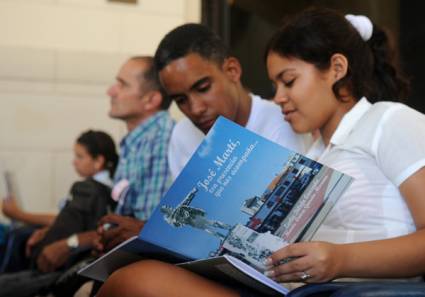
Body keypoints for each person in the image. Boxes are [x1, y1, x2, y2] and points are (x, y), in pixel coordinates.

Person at [96, 8, 425, 297]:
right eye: (275, 85)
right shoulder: (314, 150)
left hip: (348, 288)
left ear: (336, 68)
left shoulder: (388, 120)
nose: (278, 97)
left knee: (138, 284)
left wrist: (339, 259)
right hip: (293, 288)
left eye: (289, 81)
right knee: (133, 279)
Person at [153, 23, 311, 179]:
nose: (196, 109)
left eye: (203, 88)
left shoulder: (283, 124)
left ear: (232, 71)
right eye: (181, 100)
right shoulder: (183, 135)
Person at [0, 129, 118, 296]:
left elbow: (67, 228)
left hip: (56, 267)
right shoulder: (111, 190)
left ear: (98, 161)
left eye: (80, 156)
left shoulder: (87, 189)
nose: (74, 162)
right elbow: (71, 220)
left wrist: (18, 215)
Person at [95, 56, 175, 254]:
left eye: (122, 85)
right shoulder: (139, 141)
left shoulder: (161, 141)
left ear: (151, 100)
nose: (110, 91)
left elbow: (147, 234)